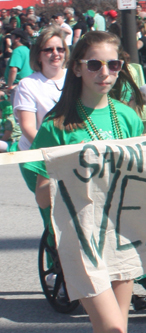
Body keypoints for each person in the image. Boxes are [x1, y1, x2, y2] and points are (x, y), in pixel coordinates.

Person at [32, 31, 145, 333]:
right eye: (95, 64)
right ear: (77, 66)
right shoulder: (55, 127)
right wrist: (64, 172)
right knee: (110, 329)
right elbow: (42, 194)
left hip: (120, 234)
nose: (105, 73)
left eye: (114, 65)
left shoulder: (127, 118)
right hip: (78, 237)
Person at [13, 27, 69, 229]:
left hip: (70, 150)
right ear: (39, 54)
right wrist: (53, 152)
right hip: (38, 155)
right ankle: (56, 255)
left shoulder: (76, 79)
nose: (56, 54)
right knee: (54, 213)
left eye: (60, 49)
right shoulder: (28, 84)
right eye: (49, 50)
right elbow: (28, 126)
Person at [4, 28, 32, 103]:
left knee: (17, 112)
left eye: (12, 36)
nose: (11, 38)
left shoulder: (17, 51)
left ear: (18, 38)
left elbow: (13, 69)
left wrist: (9, 86)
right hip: (29, 85)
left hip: (18, 86)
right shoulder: (27, 50)